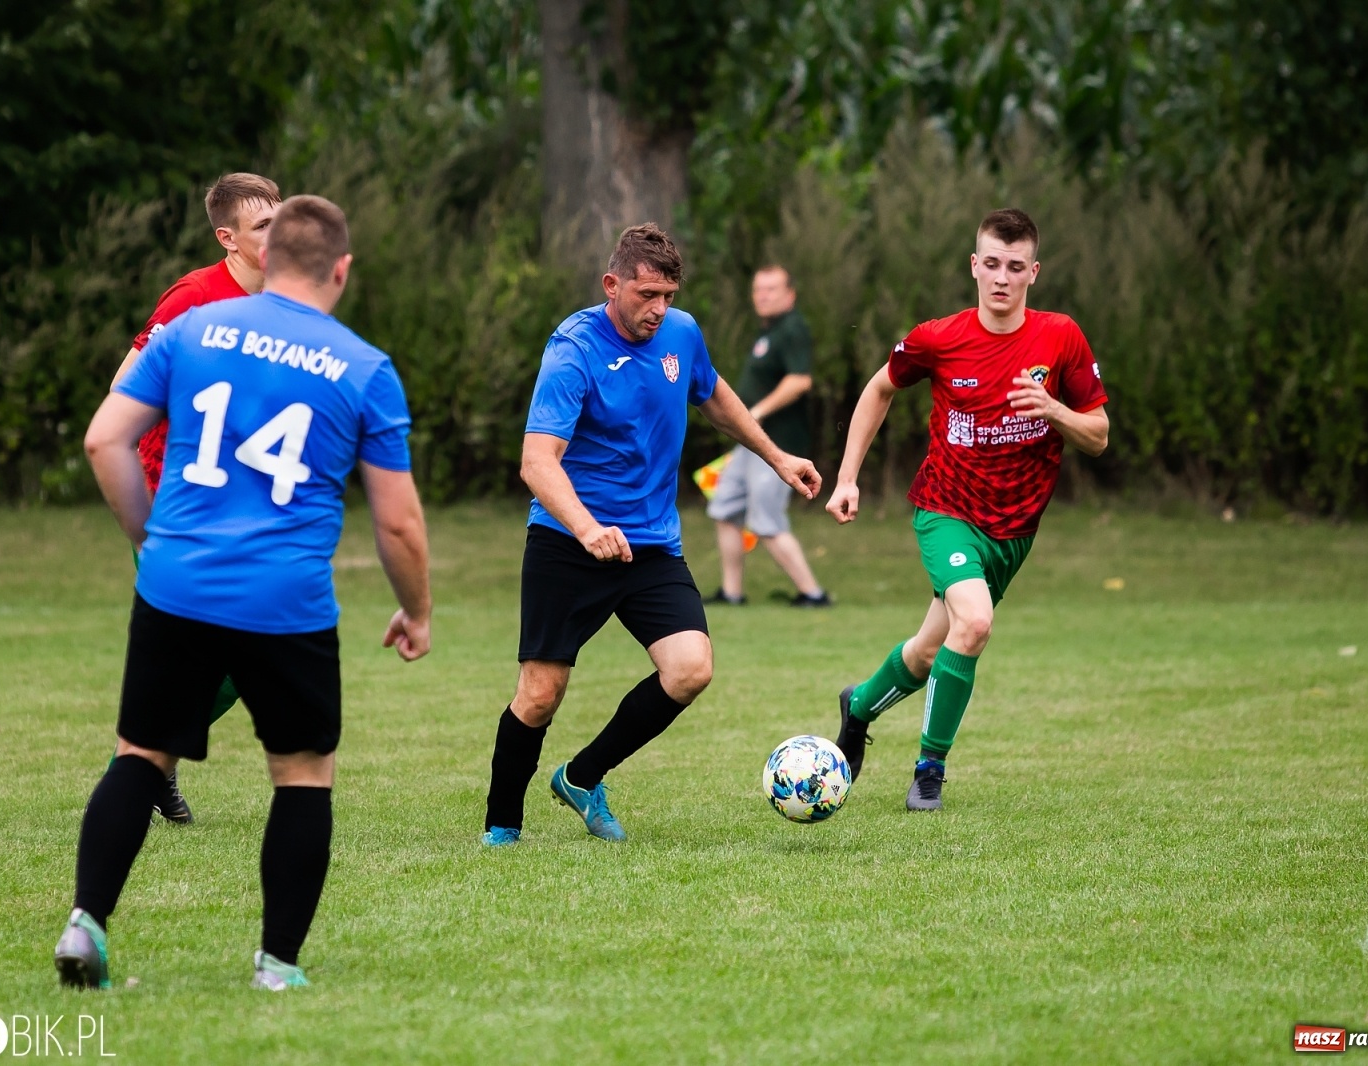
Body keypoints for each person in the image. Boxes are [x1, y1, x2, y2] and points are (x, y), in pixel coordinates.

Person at [55, 195, 431, 991]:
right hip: (285, 601)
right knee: (302, 774)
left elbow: (103, 438)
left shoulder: (192, 330)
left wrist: (152, 539)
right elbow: (397, 524)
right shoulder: (364, 367)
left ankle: (86, 924)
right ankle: (276, 965)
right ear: (341, 269)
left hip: (177, 585)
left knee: (140, 755)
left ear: (268, 256)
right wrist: (417, 609)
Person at [480, 223, 821, 847]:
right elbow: (537, 462)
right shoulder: (573, 350)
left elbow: (714, 396)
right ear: (612, 285)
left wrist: (777, 457)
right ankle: (502, 825)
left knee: (690, 668)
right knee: (540, 693)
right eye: (646, 295)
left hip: (651, 544)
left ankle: (582, 777)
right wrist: (587, 528)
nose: (659, 309)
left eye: (668, 295)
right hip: (568, 541)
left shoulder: (681, 333)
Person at [826, 208, 1108, 811]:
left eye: (1015, 267)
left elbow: (1099, 435)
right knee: (975, 623)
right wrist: (847, 478)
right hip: (945, 510)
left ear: (1033, 272)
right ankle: (930, 768)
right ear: (974, 266)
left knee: (930, 650)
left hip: (1015, 529)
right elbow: (879, 389)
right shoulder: (939, 338)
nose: (1002, 278)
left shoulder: (1061, 337)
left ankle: (859, 705)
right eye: (992, 264)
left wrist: (1054, 410)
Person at [109, 172, 281, 825]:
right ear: (227, 238)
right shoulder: (195, 296)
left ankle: (149, 759)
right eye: (262, 226)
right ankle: (140, 767)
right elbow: (124, 391)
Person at [706, 265, 830, 607]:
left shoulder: (793, 328)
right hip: (751, 443)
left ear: (790, 294)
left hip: (778, 445)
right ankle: (732, 594)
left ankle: (813, 594)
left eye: (771, 289)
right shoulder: (769, 332)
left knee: (766, 522)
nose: (763, 296)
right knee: (724, 508)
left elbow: (800, 380)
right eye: (758, 289)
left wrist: (757, 411)